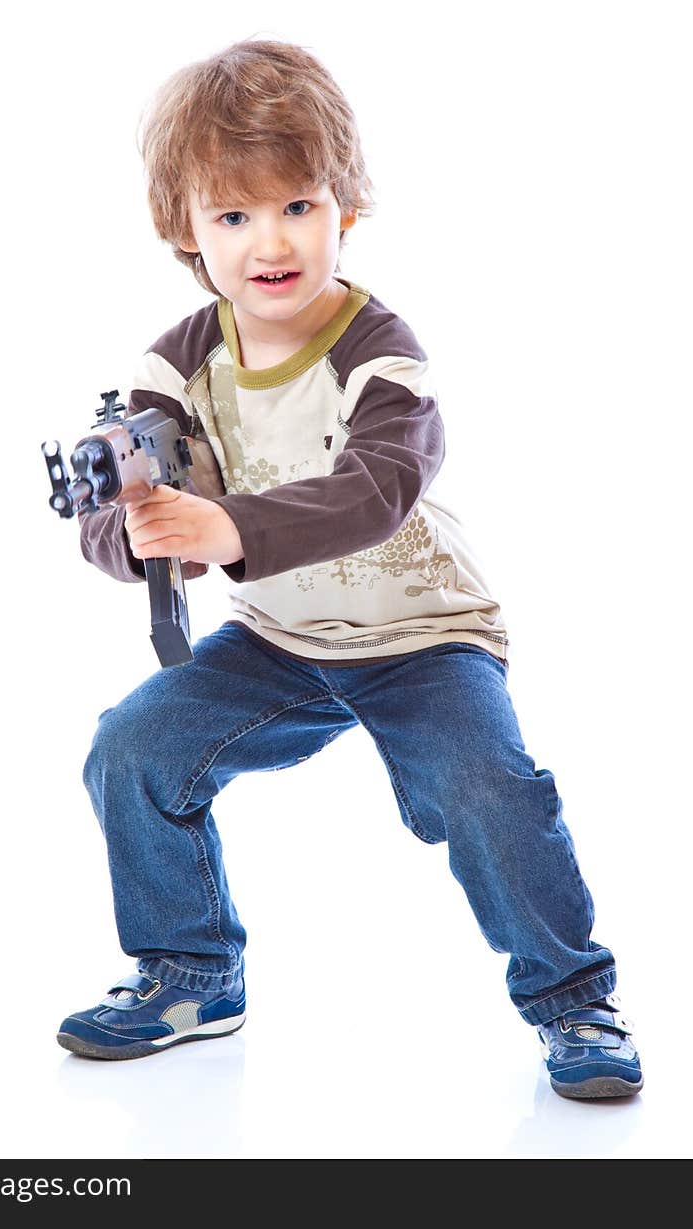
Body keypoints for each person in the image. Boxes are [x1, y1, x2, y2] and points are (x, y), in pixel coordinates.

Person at [56, 38, 642, 1099]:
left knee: (485, 787)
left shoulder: (379, 351)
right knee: (132, 745)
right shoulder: (171, 368)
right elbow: (122, 523)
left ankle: (573, 999)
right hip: (282, 641)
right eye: (231, 217)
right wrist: (133, 528)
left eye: (297, 206)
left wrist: (223, 527)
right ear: (184, 231)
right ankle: (190, 972)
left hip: (421, 635)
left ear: (345, 212)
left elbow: (377, 488)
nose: (267, 241)